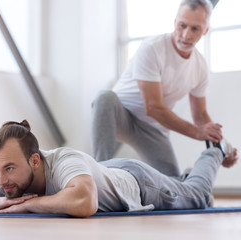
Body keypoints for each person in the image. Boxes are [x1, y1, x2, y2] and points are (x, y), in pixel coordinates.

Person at [0, 120, 237, 218]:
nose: (1, 179)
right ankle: (182, 176)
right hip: (102, 171)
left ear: (35, 160)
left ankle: (213, 153)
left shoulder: (63, 160)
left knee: (197, 195)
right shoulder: (6, 178)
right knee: (184, 186)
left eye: (7, 169)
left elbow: (85, 201)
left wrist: (28, 205)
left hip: (138, 183)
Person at [91, 0, 232, 176]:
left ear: (205, 30)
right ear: (175, 22)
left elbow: (201, 116)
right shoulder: (152, 48)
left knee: (172, 186)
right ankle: (101, 176)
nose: (186, 35)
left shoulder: (200, 66)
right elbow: (153, 107)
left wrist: (223, 145)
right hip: (121, 116)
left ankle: (184, 181)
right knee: (104, 97)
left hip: (152, 129)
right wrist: (196, 132)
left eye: (195, 29)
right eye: (182, 26)